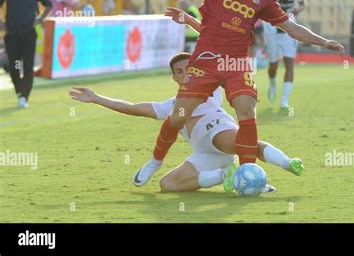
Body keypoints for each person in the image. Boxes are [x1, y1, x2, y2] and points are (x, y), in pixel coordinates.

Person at [113, 0, 343, 191]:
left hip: (235, 63)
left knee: (247, 111)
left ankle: (249, 175)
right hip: (206, 60)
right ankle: (155, 162)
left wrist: (322, 41)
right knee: (178, 117)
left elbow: (291, 27)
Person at [69, 51, 303, 193]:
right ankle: (225, 176)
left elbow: (220, 52)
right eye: (179, 71)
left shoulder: (211, 89)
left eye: (189, 68)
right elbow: (133, 108)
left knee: (246, 143)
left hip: (217, 130)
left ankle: (285, 163)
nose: (185, 74)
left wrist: (190, 20)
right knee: (167, 185)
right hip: (205, 152)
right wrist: (97, 98)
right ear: (174, 77)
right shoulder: (171, 104)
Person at [0, 0, 52, 108]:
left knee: (28, 67)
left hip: (29, 34)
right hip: (11, 34)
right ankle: (19, 90)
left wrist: (40, 19)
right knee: (14, 66)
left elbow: (48, 5)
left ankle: (24, 96)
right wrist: (1, 22)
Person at [261, 0, 306, 109]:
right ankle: (272, 82)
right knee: (273, 64)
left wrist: (296, 10)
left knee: (289, 63)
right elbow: (260, 4)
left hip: (289, 26)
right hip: (271, 26)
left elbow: (302, 3)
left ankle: (284, 101)